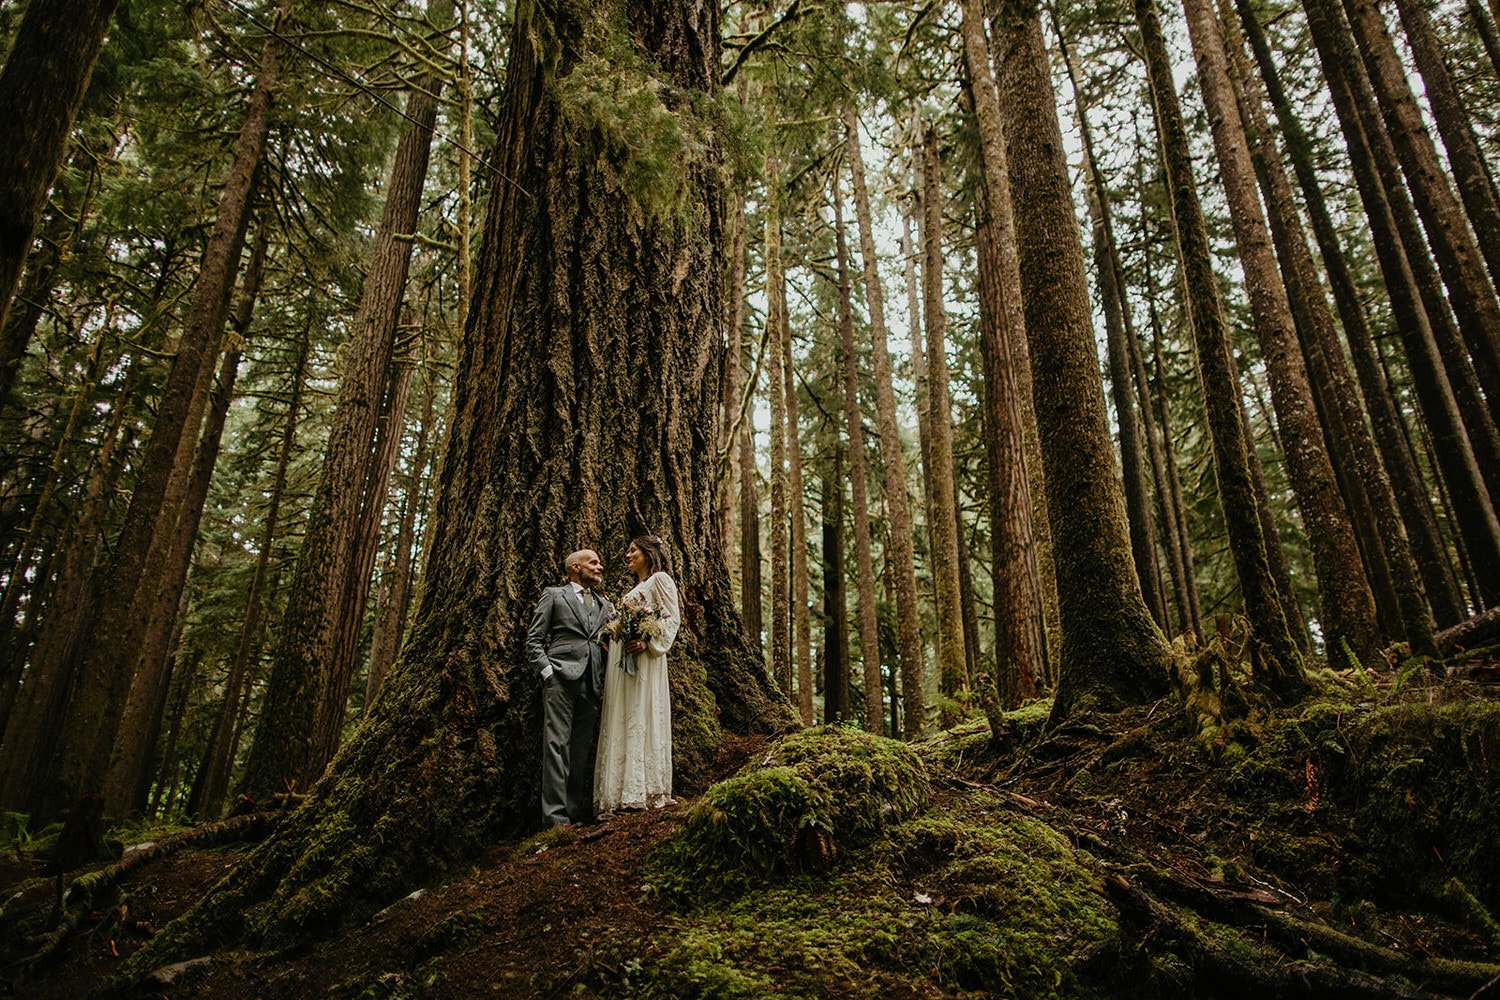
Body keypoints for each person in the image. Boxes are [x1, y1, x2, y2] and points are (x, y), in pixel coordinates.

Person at [527, 548, 614, 827]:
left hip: (592, 681)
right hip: (560, 680)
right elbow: (534, 639)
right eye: (594, 562)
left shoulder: (604, 605)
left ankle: (575, 813)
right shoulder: (554, 594)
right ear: (576, 567)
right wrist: (547, 672)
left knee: (580, 750)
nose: (600, 567)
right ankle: (555, 819)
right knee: (556, 746)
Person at [594, 535, 679, 816]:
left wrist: (648, 643)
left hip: (644, 660)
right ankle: (621, 790)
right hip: (624, 662)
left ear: (648, 553)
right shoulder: (638, 586)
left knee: (641, 715)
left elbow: (671, 618)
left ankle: (645, 788)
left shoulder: (661, 580)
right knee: (625, 715)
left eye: (633, 551)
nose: (627, 555)